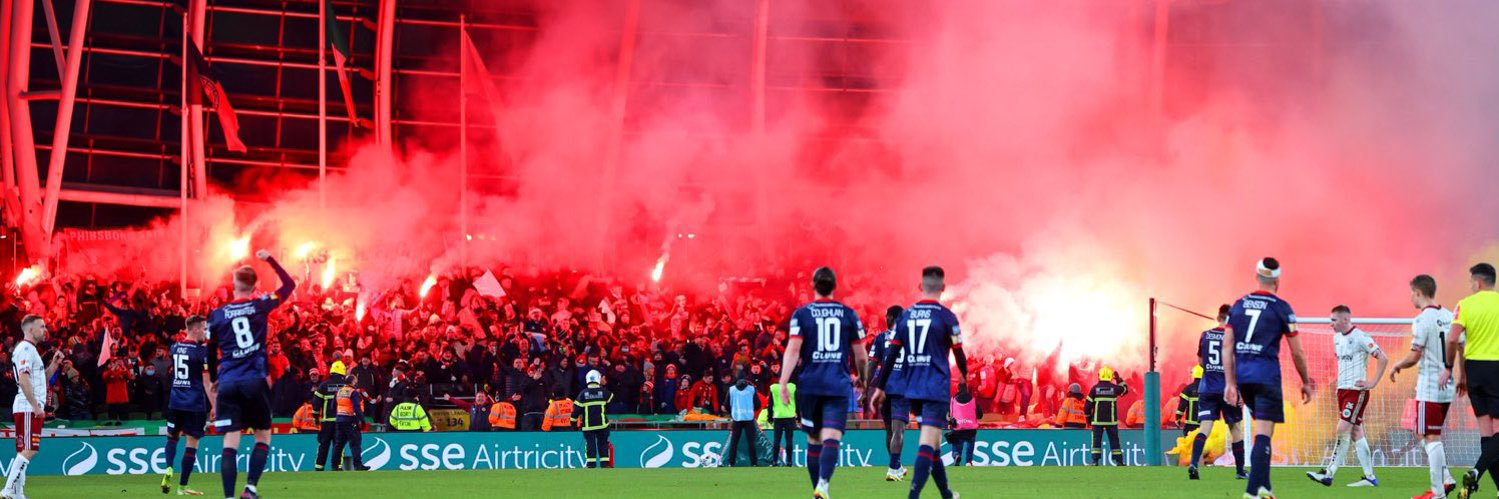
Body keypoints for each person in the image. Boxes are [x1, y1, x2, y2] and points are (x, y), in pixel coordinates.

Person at [207, 249, 295, 499]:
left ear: (233, 284)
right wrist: (270, 260)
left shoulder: (218, 315)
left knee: (230, 442)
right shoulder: (260, 305)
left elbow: (211, 352)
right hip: (255, 379)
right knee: (263, 435)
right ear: (255, 285)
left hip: (229, 381)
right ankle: (251, 488)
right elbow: (289, 285)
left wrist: (215, 378)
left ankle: (229, 497)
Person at [1224, 257, 1314, 499]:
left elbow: (1227, 345)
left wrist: (1230, 383)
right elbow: (1297, 351)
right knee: (1263, 434)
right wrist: (1305, 380)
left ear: (1257, 277)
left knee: (1262, 432)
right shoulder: (1281, 307)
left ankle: (1265, 488)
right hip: (1266, 377)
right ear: (1277, 280)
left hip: (1244, 379)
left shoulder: (1239, 305)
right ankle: (1252, 492)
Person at [872, 266, 965, 499]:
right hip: (935, 387)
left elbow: (891, 355)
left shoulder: (906, 317)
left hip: (912, 389)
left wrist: (880, 386)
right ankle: (913, 494)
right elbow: (959, 352)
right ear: (943, 288)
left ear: (920, 287)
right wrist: (965, 374)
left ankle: (946, 493)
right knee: (927, 441)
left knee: (932, 443)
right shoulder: (947, 317)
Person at [778, 267, 870, 499]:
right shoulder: (849, 314)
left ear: (813, 284)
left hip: (809, 386)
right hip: (837, 385)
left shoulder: (802, 314)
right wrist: (863, 378)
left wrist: (783, 382)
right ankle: (824, 484)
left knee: (813, 439)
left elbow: (793, 350)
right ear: (834, 285)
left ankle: (818, 489)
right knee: (832, 437)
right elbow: (861, 355)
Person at [1390, 274, 1458, 499]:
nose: (1411, 297)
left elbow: (1414, 355)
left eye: (1412, 292)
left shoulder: (1421, 320)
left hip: (1429, 386)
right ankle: (1445, 479)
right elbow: (1462, 348)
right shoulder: (1449, 316)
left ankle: (1439, 491)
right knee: (1424, 433)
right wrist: (1462, 378)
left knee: (1430, 436)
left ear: (1419, 292)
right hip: (1447, 385)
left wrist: (1398, 365)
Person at [1307, 305, 1389, 487]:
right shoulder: (1336, 338)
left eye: (1334, 320)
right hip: (1342, 391)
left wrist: (1372, 382)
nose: (1331, 324)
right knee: (1355, 431)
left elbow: (1383, 357)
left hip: (1356, 391)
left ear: (1345, 320)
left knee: (1341, 429)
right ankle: (1369, 477)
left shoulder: (1360, 337)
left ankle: (1329, 474)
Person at [1448, 263, 1499, 498]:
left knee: (1486, 434)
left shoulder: (1465, 305)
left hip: (1474, 369)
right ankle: (1476, 471)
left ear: (1478, 282)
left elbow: (1453, 339)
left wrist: (1453, 369)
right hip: (1497, 367)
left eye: (1471, 282)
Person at [2, 315, 62, 499]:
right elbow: (24, 378)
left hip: (26, 406)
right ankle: (8, 490)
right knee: (31, 449)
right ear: (30, 330)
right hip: (28, 406)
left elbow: (40, 379)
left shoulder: (30, 350)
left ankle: (18, 493)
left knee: (24, 450)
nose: (45, 330)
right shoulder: (26, 348)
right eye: (42, 326)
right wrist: (36, 406)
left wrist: (54, 364)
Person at [1188, 304, 1246, 481]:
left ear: (1218, 317)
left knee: (1204, 427)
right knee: (1235, 428)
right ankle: (1240, 471)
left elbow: (1200, 361)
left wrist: (1213, 369)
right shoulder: (1235, 337)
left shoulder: (1205, 335)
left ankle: (1193, 464)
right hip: (1228, 389)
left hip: (1207, 388)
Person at [159, 315, 213, 496]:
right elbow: (207, 383)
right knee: (192, 443)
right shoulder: (201, 352)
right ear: (196, 329)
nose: (206, 333)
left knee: (172, 437)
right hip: (195, 403)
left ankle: (168, 468)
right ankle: (182, 487)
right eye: (204, 329)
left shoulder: (175, 348)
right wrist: (215, 406)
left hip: (175, 401)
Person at [869, 305, 908, 481]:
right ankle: (893, 469)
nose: (885, 319)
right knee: (898, 429)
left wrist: (864, 386)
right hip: (902, 389)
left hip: (884, 388)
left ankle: (896, 466)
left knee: (889, 430)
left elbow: (871, 364)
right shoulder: (910, 338)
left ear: (892, 318)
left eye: (887, 316)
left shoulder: (880, 338)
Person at [1086, 366, 1128, 466]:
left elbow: (1087, 406)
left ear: (1099, 376)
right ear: (1110, 376)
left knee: (1096, 440)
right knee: (1114, 440)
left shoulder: (1095, 389)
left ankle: (1095, 461)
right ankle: (1119, 461)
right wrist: (1119, 379)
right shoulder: (1114, 388)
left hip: (1097, 421)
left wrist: (1088, 419)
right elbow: (1125, 390)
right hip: (1111, 420)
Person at [331, 375, 370, 470]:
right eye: (355, 381)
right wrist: (362, 420)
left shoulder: (339, 391)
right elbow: (357, 407)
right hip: (350, 420)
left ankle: (334, 465)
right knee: (355, 443)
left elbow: (332, 406)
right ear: (353, 382)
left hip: (339, 420)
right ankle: (357, 465)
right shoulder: (353, 392)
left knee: (339, 444)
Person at [576, 370, 613, 468]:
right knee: (603, 444)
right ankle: (604, 464)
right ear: (598, 379)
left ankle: (591, 464)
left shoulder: (583, 394)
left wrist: (573, 421)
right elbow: (611, 401)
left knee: (590, 444)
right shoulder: (604, 393)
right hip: (602, 424)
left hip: (588, 426)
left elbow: (576, 410)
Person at [725, 376, 761, 467]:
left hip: (737, 418)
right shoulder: (752, 389)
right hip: (749, 418)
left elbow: (726, 405)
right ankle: (754, 463)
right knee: (751, 442)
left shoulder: (732, 389)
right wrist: (751, 409)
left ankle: (731, 462)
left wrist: (733, 411)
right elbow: (758, 404)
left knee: (734, 442)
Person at [947, 386, 982, 466]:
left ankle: (956, 455)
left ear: (958, 389)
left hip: (958, 427)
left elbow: (949, 414)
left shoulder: (953, 400)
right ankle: (968, 461)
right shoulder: (973, 400)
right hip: (971, 427)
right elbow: (980, 415)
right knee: (970, 443)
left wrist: (950, 423)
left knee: (956, 445)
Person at [1175, 366, 1202, 438]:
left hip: (1191, 427)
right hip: (1206, 425)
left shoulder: (1188, 389)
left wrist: (1178, 418)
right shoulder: (1209, 389)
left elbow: (1182, 406)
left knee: (1191, 446)